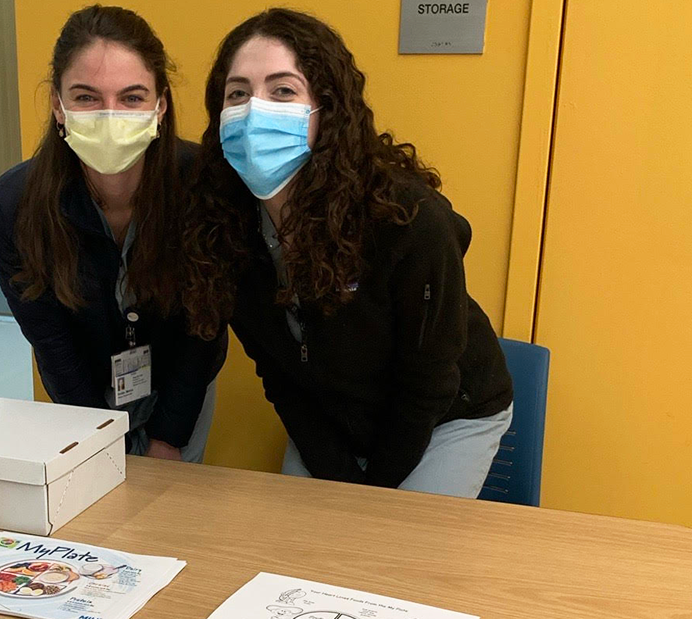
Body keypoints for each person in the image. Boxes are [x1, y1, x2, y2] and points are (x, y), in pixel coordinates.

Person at [181, 9, 513, 497]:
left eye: (283, 90)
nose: (255, 110)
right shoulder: (222, 225)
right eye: (238, 94)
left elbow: (428, 384)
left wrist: (366, 496)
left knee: (387, 556)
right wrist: (333, 471)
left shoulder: (407, 218)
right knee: (301, 556)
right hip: (333, 416)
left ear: (326, 109)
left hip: (444, 415)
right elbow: (278, 373)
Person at [0, 5, 224, 462]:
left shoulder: (204, 186)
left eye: (132, 97)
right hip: (81, 387)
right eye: (87, 98)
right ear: (58, 104)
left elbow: (204, 328)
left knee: (171, 507)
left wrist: (169, 437)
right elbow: (50, 340)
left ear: (161, 105)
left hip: (182, 381)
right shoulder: (12, 207)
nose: (110, 116)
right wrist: (97, 440)